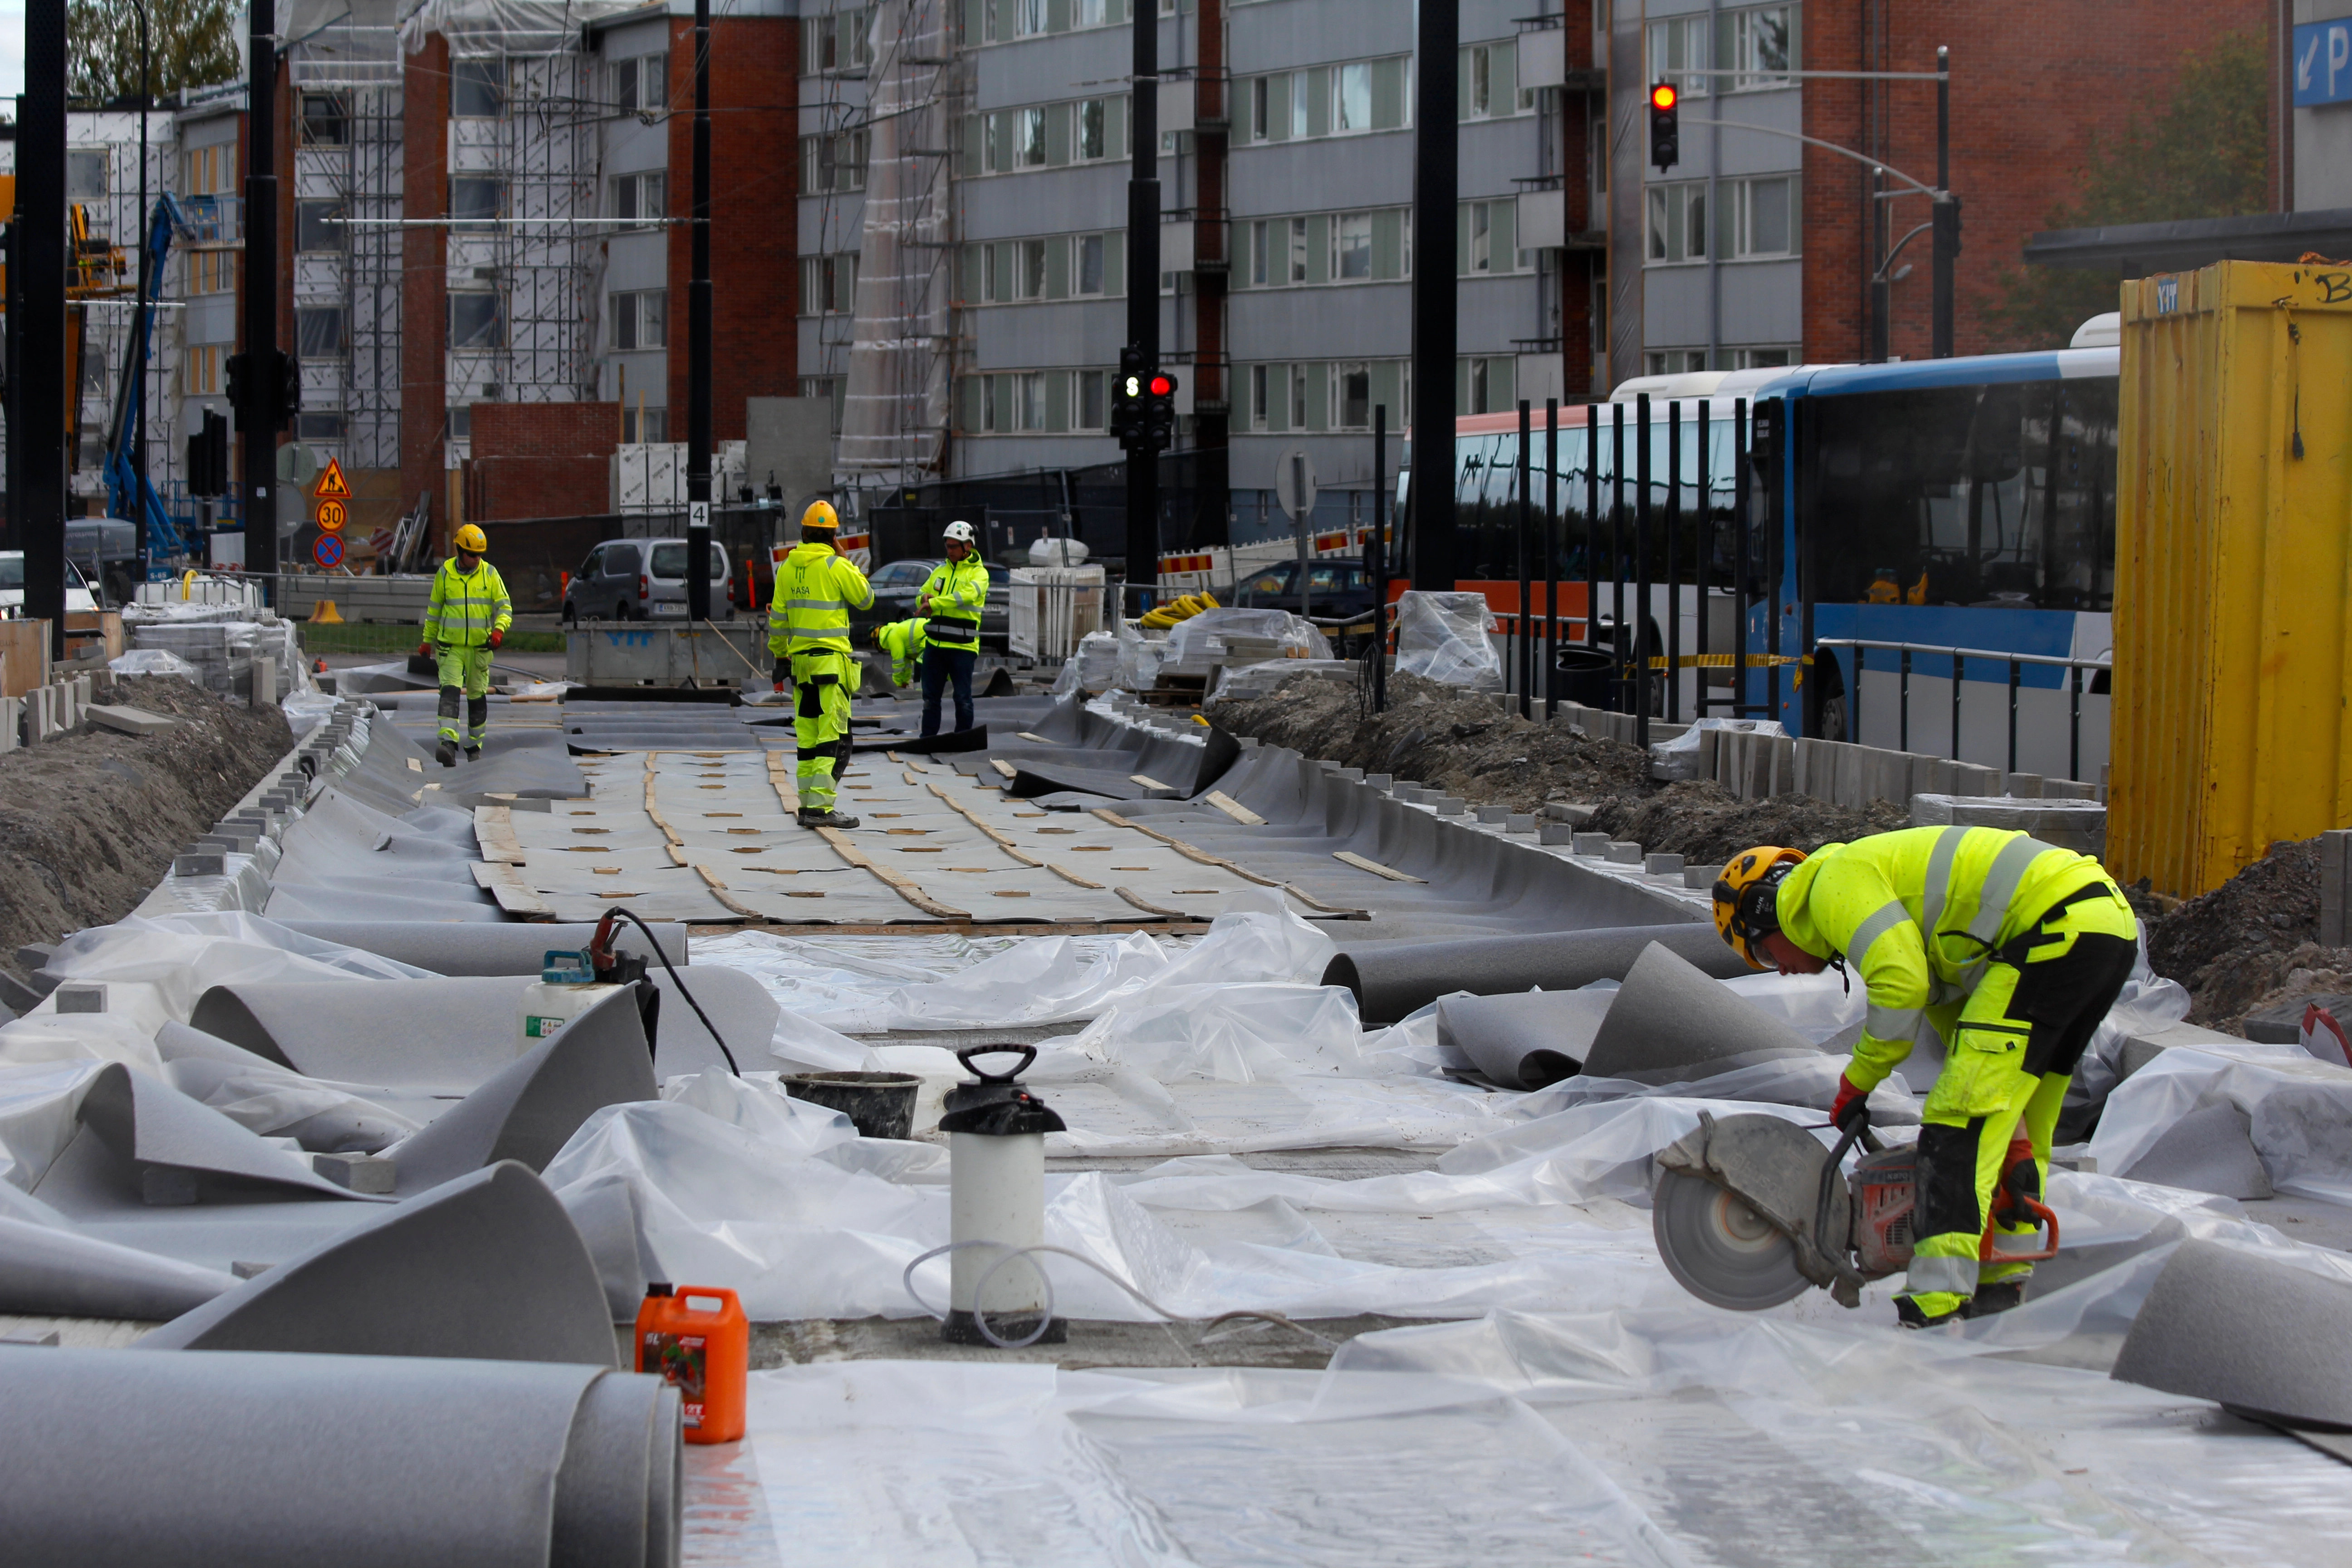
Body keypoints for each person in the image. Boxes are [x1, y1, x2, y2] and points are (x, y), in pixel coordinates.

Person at [1712, 827, 2139, 1328]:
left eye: (1763, 954)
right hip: (2102, 927)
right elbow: (1953, 1016)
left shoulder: (1830, 885)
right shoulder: (1897, 903)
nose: (1778, 971)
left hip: (2051, 928)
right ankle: (2001, 1282)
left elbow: (1901, 983)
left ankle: (1935, 1301)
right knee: (2019, 1127)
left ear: (1767, 909)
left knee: (1957, 1118)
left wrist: (1858, 1080)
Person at [767, 500, 873, 828]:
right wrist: (845, 558)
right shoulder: (835, 566)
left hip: (800, 666)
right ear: (833, 536)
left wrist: (780, 655)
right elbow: (866, 599)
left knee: (809, 739)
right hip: (830, 666)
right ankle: (821, 810)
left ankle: (807, 806)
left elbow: (778, 623)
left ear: (803, 532)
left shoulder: (786, 569)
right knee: (834, 739)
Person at [417, 523, 511, 768]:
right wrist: (427, 641)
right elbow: (434, 611)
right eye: (472, 554)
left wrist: (499, 629)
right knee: (449, 692)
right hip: (451, 647)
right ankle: (447, 744)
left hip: (480, 649)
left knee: (477, 698)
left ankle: (474, 746)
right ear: (460, 550)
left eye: (480, 554)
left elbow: (504, 607)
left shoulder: (490, 574)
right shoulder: (445, 574)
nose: (476, 559)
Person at [916, 520, 988, 738]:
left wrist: (935, 603)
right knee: (930, 698)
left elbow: (965, 596)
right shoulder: (940, 570)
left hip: (963, 648)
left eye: (954, 547)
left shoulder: (979, 574)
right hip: (936, 646)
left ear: (968, 546)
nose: (949, 551)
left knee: (963, 699)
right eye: (947, 546)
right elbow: (922, 593)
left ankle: (963, 739)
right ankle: (927, 739)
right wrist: (924, 597)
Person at [872, 615, 929, 690]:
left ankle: (920, 695)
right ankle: (947, 689)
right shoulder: (898, 632)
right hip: (934, 636)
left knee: (920, 666)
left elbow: (898, 664)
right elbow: (907, 665)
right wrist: (904, 682)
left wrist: (896, 686)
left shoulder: (892, 636)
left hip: (931, 639)